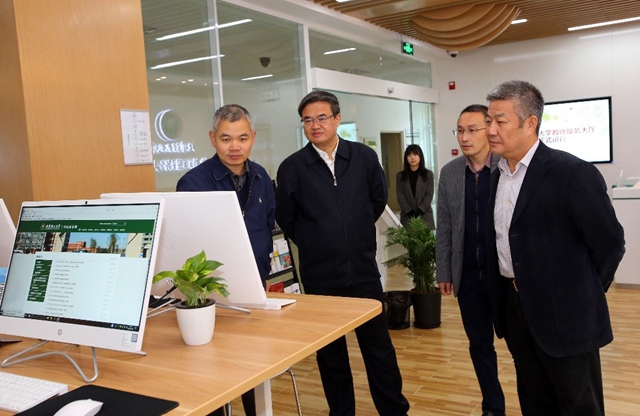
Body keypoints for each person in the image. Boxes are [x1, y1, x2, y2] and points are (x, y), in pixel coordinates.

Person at [485, 80, 625, 415]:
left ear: (530, 123)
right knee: (535, 401)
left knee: (578, 405)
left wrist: (581, 290)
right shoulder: (497, 175)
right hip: (516, 310)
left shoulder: (572, 173)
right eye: (489, 120)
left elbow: (609, 243)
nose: (490, 130)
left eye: (500, 121)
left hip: (567, 314)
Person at [275, 90, 410, 416]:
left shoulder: (363, 157)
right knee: (331, 356)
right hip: (320, 277)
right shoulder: (292, 167)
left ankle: (394, 411)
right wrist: (314, 240)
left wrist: (356, 233)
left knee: (379, 350)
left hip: (363, 272)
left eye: (322, 117)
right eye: (308, 120)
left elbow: (377, 200)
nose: (315, 125)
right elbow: (287, 218)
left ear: (337, 119)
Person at [176, 104, 276, 416]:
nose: (235, 147)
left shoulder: (261, 176)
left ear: (253, 138)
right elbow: (188, 241)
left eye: (242, 138)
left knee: (253, 365)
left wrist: (263, 275)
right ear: (212, 138)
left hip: (253, 287)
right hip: (208, 293)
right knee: (214, 369)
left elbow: (267, 226)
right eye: (226, 138)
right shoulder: (193, 182)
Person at [436, 104, 506, 416]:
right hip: (468, 277)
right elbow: (445, 226)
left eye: (472, 130)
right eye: (460, 131)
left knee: (522, 348)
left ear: (489, 129)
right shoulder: (451, 173)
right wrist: (444, 271)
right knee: (479, 345)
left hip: (505, 277)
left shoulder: (507, 166)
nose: (465, 137)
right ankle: (493, 406)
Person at [396, 144, 435, 230]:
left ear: (420, 156)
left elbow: (429, 194)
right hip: (407, 217)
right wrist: (409, 211)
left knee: (426, 238)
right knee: (408, 238)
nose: (412, 157)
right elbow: (400, 195)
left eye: (415, 154)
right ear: (406, 158)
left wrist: (420, 211)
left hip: (425, 216)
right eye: (409, 155)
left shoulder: (428, 174)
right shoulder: (400, 176)